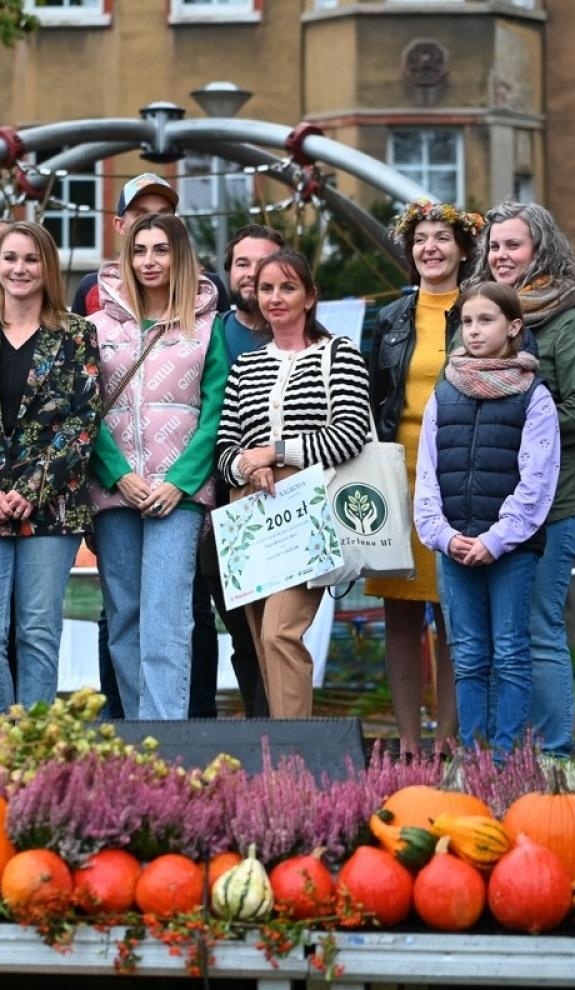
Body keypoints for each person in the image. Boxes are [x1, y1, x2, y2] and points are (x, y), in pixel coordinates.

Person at [0, 221, 100, 723]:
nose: (18, 269)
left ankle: (34, 751)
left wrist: (31, 489)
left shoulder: (77, 335)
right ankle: (4, 738)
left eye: (30, 259)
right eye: (9, 258)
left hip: (49, 509)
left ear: (46, 266)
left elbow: (83, 420)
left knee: (37, 630)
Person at [473, 201, 575, 756]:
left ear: (541, 249)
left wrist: (521, 428)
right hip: (488, 503)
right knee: (497, 636)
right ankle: (510, 752)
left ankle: (554, 752)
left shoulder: (569, 317)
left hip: (553, 502)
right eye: (495, 246)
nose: (502, 256)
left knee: (537, 626)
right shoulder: (479, 312)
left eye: (514, 245)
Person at [217, 249, 372, 718]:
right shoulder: (246, 366)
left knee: (280, 633)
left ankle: (295, 755)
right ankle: (278, 760)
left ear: (310, 297)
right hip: (252, 508)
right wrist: (248, 466)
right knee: (263, 642)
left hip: (310, 505)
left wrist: (277, 453)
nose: (275, 298)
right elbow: (224, 450)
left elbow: (349, 437)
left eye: (287, 287)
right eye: (266, 288)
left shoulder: (338, 353)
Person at [87, 213, 226, 721]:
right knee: (124, 615)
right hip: (114, 490)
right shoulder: (95, 329)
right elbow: (86, 408)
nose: (149, 260)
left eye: (162, 250)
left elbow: (215, 413)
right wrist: (117, 474)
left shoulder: (208, 328)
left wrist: (180, 483)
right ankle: (137, 736)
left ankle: (166, 737)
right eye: (140, 250)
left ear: (180, 257)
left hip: (179, 494)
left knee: (167, 616)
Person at [414, 282, 560, 759]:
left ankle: (506, 758)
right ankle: (474, 756)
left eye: (486, 320)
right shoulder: (445, 390)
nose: (474, 331)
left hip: (510, 549)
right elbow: (428, 471)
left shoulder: (533, 396)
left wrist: (496, 540)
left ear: (514, 327)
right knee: (469, 654)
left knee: (511, 652)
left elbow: (537, 480)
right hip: (456, 543)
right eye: (468, 322)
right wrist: (442, 534)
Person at [367, 201, 485, 755]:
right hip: (399, 473)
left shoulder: (481, 309)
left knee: (454, 611)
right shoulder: (390, 317)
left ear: (463, 249)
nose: (430, 248)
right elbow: (373, 395)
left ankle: (448, 738)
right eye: (420, 239)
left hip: (460, 470)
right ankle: (408, 740)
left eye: (442, 238)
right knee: (400, 613)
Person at [197, 223, 285, 719]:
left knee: (282, 633)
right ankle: (256, 739)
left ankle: (292, 736)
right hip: (217, 510)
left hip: (289, 507)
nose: (251, 274)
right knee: (243, 637)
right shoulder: (210, 334)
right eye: (242, 264)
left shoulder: (308, 340)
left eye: (264, 263)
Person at [70, 173, 230, 317]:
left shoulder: (207, 287)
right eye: (141, 215)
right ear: (120, 225)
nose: (154, 222)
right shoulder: (92, 287)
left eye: (164, 214)